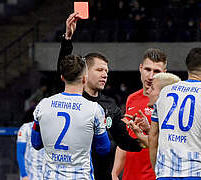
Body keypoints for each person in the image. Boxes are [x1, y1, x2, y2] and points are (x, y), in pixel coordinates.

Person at [58, 13, 145, 180]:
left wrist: (146, 140)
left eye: (106, 71)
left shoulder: (110, 105)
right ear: (84, 72)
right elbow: (64, 71)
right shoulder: (73, 98)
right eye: (99, 70)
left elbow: (124, 141)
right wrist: (67, 39)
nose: (105, 74)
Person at [31, 55, 111, 178]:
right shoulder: (94, 110)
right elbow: (104, 149)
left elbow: (36, 144)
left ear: (62, 78)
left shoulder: (43, 105)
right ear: (85, 79)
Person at [149, 47, 201, 180]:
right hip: (196, 172)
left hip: (165, 172)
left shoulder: (165, 92)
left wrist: (157, 170)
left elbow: (153, 136)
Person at [112, 48, 168, 180]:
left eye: (157, 71)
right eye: (148, 69)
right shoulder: (132, 98)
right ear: (140, 68)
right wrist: (114, 172)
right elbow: (125, 138)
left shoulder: (168, 101)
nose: (151, 76)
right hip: (129, 176)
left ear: (164, 73)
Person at [122, 72, 181, 147]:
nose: (147, 92)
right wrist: (148, 130)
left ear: (165, 93)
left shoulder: (174, 120)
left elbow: (160, 148)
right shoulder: (168, 115)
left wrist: (140, 134)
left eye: (152, 88)